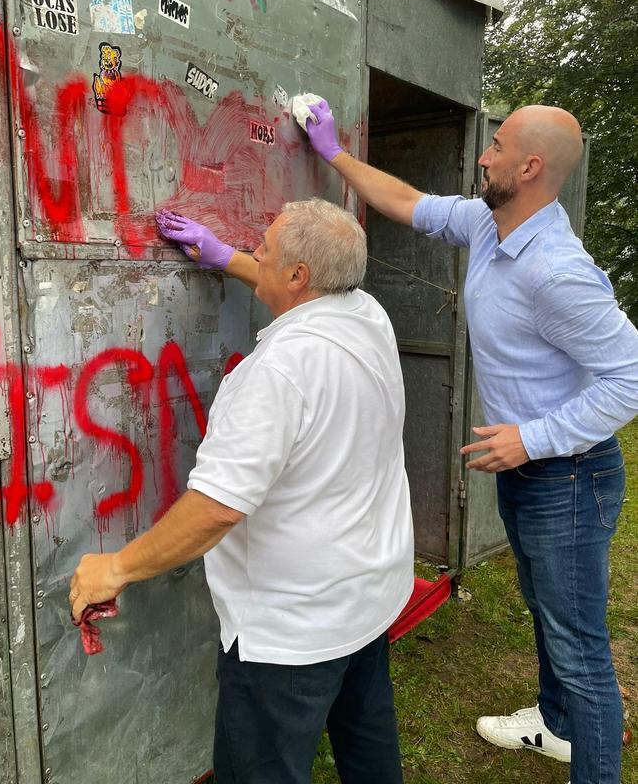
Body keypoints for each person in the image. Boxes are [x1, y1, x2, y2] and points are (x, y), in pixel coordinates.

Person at [303, 100, 638, 784]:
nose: (484, 155)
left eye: (498, 146)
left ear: (530, 166)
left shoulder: (556, 270)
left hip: (570, 478)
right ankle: (556, 723)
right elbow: (407, 201)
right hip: (536, 472)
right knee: (548, 611)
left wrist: (532, 439)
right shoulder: (491, 224)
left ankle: (593, 765)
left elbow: (630, 377)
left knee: (579, 648)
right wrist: (332, 151)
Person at [70, 198, 414, 784]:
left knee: (262, 771)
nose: (255, 249)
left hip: (292, 631)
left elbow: (216, 508)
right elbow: (303, 287)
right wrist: (226, 256)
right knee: (367, 746)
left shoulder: (276, 371)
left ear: (300, 276)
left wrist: (118, 567)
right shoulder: (366, 314)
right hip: (368, 594)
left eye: (266, 248)